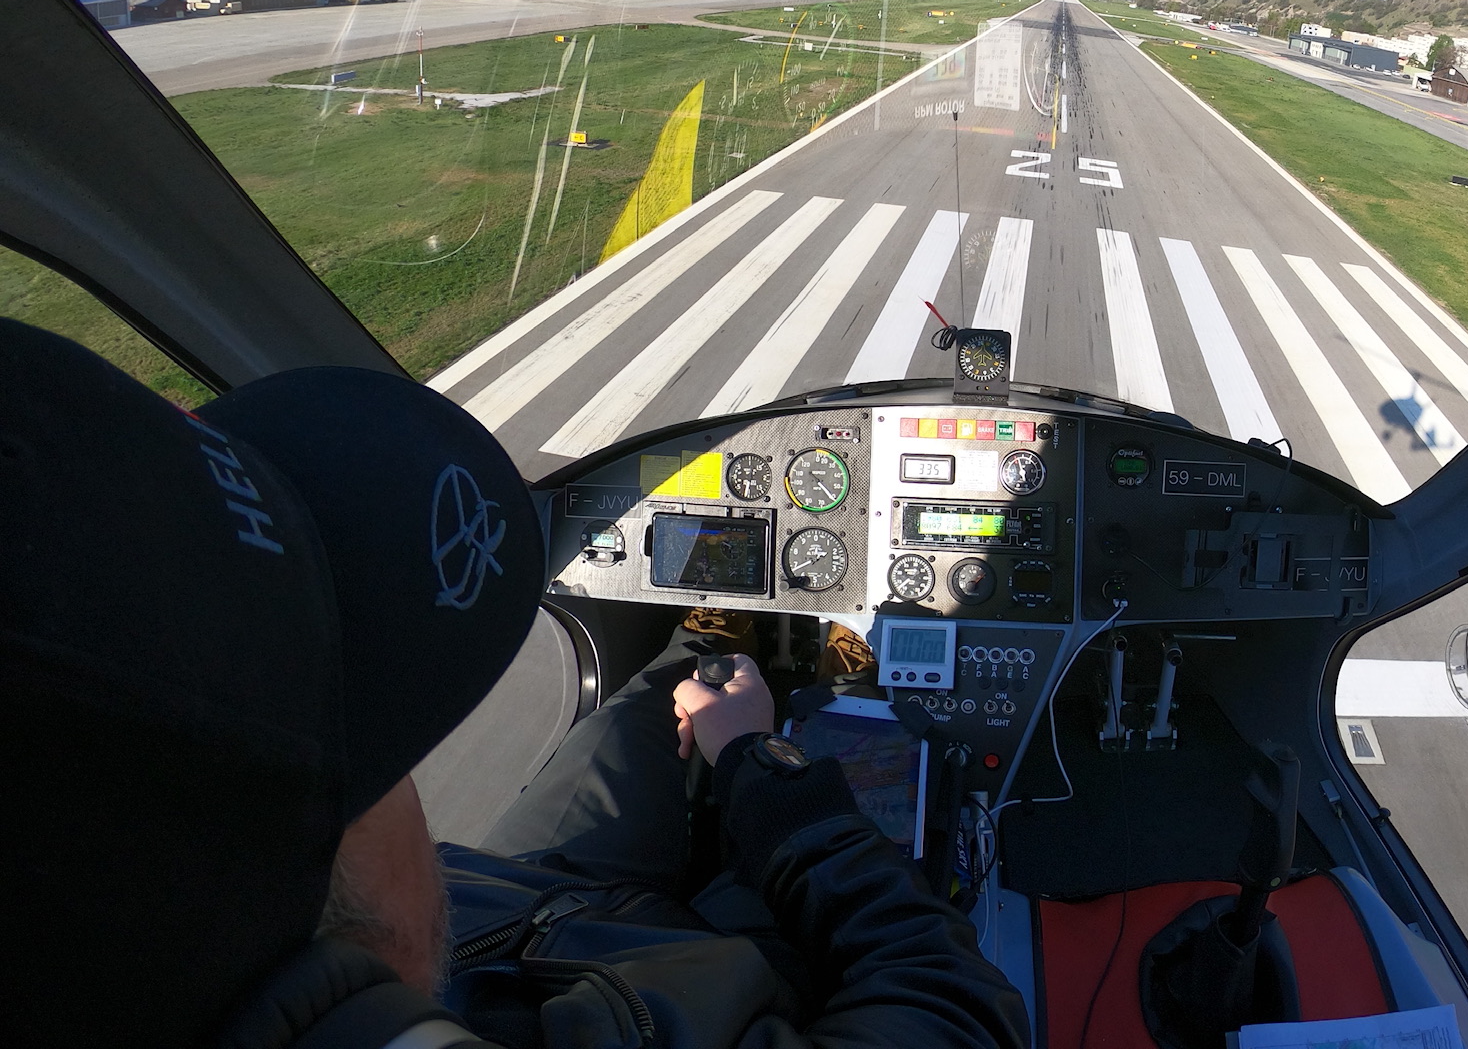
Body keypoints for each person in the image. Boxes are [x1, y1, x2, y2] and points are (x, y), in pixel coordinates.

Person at [0, 319, 1026, 1049]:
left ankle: (714, 647)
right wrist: (762, 764)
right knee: (756, 831)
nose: (411, 780)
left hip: (514, 902)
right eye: (381, 756)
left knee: (676, 677)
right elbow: (953, 1007)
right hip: (674, 954)